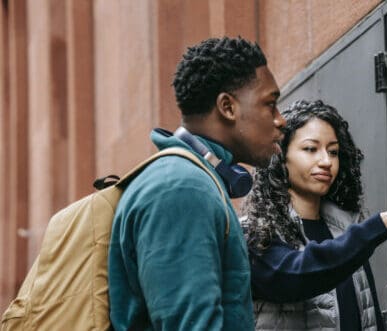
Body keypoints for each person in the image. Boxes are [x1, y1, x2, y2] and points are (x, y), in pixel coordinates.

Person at [108, 37, 286, 330]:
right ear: (227, 107)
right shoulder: (181, 189)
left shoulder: (188, 180)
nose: (281, 120)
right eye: (270, 104)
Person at [242, 99, 387, 330]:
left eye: (333, 151)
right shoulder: (255, 233)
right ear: (280, 156)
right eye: (310, 149)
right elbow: (298, 276)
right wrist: (380, 225)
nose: (326, 161)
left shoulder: (345, 230)